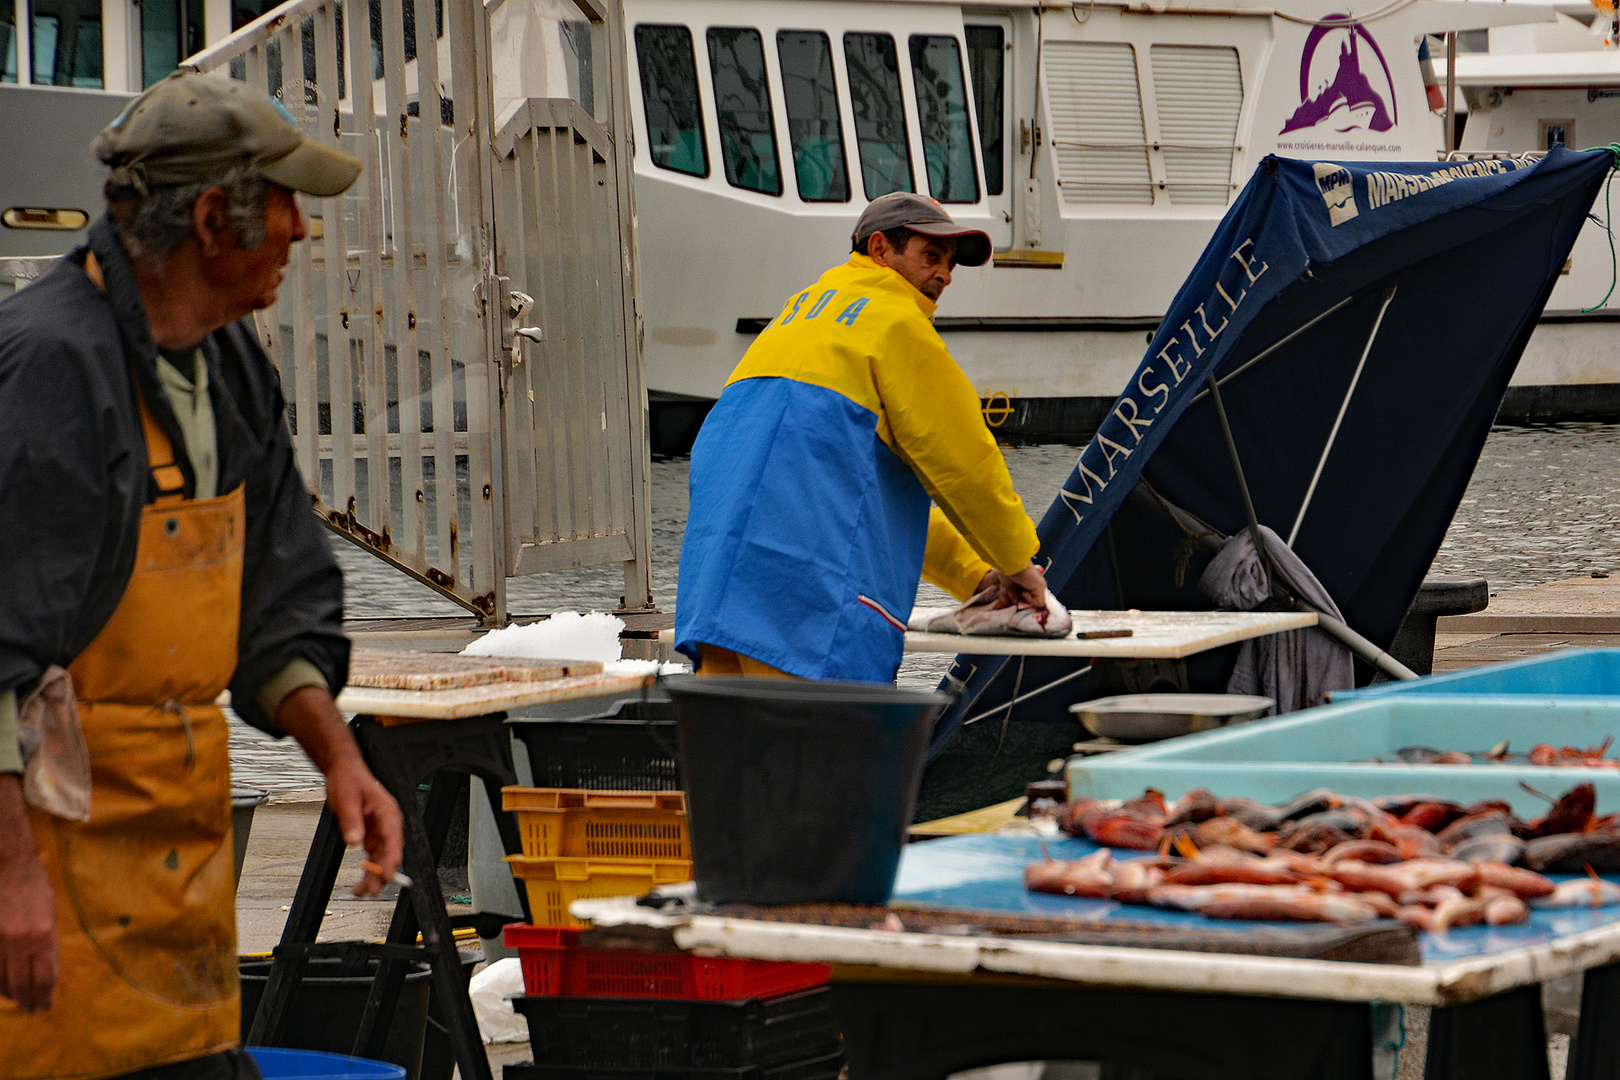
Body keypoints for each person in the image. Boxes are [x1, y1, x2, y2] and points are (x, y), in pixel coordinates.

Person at [0, 69, 404, 1080]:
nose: (304, 233)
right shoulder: (50, 368)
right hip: (41, 881)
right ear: (218, 219)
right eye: (285, 205)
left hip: (173, 890)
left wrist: (338, 758)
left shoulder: (224, 362)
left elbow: (278, 591)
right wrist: (10, 888)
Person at [675, 191, 1047, 682]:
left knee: (735, 756)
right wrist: (1020, 567)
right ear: (879, 249)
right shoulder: (896, 325)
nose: (945, 275)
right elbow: (966, 469)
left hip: (718, 597)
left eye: (951, 264)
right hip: (806, 614)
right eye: (930, 256)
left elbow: (861, 496)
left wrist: (975, 575)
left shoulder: (794, 319)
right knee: (822, 757)